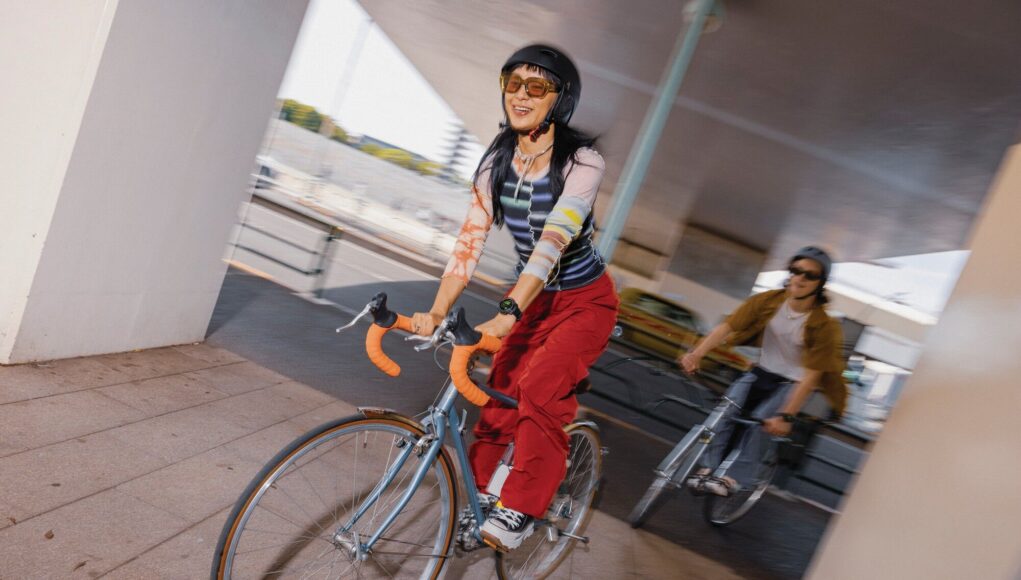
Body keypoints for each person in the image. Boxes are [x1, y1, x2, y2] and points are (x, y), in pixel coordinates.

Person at [410, 44, 618, 551]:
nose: (521, 95)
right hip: (532, 299)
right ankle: (480, 496)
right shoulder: (497, 160)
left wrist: (507, 315)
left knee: (540, 390)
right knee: (500, 391)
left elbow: (553, 240)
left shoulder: (582, 162)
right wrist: (437, 309)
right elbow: (471, 238)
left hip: (584, 300)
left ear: (559, 99)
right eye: (513, 83)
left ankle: (522, 507)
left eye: (536, 86)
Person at [679, 246, 848, 496]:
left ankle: (734, 478)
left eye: (810, 275)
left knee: (762, 423)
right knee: (726, 411)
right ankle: (708, 467)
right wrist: (696, 354)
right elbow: (728, 326)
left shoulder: (825, 326)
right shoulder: (768, 301)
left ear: (820, 283)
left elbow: (812, 376)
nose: (800, 278)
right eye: (796, 270)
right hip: (762, 371)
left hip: (794, 383)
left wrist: (786, 417)